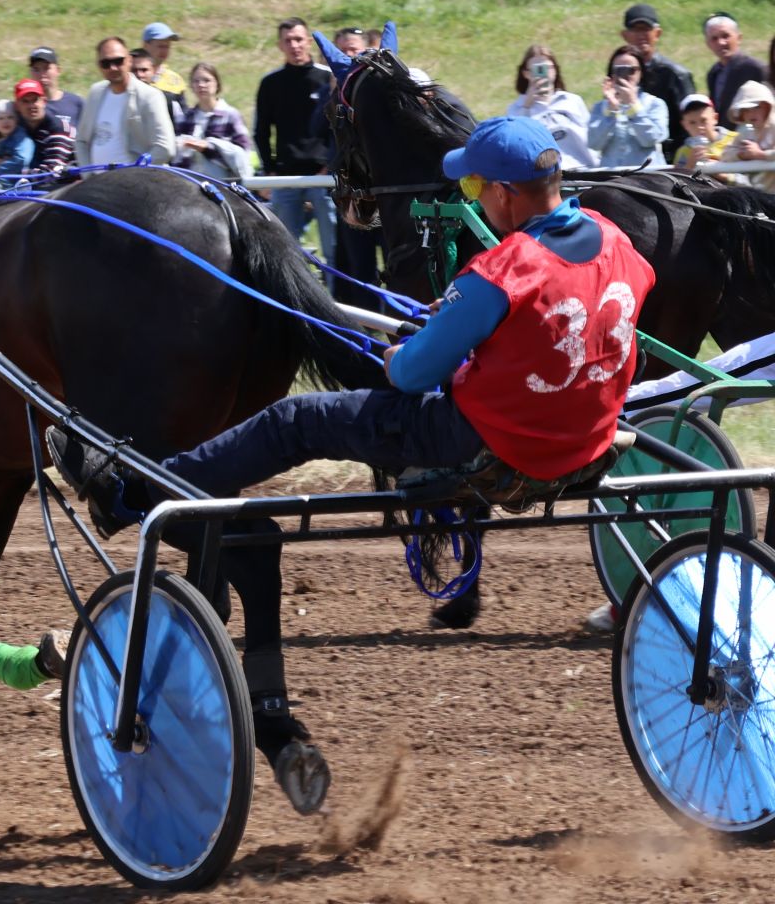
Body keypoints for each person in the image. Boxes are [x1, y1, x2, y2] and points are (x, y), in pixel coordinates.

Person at [50, 116, 656, 723]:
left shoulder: (505, 270)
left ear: (503, 193)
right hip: (586, 441)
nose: (473, 201)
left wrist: (403, 355)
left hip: (476, 441)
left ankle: (142, 487)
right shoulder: (614, 241)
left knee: (295, 421)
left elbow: (413, 374)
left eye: (472, 189)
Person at [254, 18, 334, 257]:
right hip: (285, 176)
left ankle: (335, 293)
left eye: (299, 39)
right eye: (288, 40)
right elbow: (261, 130)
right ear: (280, 45)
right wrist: (270, 170)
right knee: (285, 249)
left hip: (324, 175)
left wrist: (330, 166)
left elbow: (338, 129)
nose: (294, 45)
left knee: (334, 247)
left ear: (308, 42)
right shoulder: (270, 83)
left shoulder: (327, 78)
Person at [75, 36, 176, 166]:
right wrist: (87, 175)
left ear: (129, 60)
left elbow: (165, 148)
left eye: (118, 61)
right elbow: (81, 141)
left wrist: (134, 172)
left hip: (134, 182)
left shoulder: (149, 96)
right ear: (99, 66)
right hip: (96, 182)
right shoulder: (95, 92)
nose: (113, 68)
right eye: (105, 63)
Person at [621, 3, 694, 160]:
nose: (641, 35)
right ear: (624, 35)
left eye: (646, 29)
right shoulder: (618, 73)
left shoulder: (676, 75)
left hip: (669, 162)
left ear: (657, 33)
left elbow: (690, 123)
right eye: (635, 29)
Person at [505, 46, 593, 168]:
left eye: (547, 68)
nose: (543, 74)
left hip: (582, 168)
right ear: (526, 73)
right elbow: (516, 145)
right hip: (545, 177)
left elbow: (593, 138)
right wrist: (527, 106)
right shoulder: (516, 109)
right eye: (537, 69)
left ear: (555, 70)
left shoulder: (572, 101)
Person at [169, 62, 255, 179]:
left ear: (217, 84)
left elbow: (243, 155)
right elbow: (176, 157)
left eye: (206, 80)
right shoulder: (186, 117)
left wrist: (208, 148)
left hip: (222, 185)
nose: (201, 85)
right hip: (188, 184)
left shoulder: (231, 115)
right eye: (196, 81)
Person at [587, 46, 670, 168]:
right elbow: (594, 143)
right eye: (619, 70)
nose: (625, 75)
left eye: (631, 70)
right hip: (612, 179)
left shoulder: (655, 104)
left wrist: (633, 106)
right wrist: (611, 110)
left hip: (647, 178)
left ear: (641, 73)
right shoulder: (601, 107)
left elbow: (651, 139)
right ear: (611, 74)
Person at [703, 13, 764, 119]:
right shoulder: (714, 73)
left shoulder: (756, 69)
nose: (721, 42)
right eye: (714, 38)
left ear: (739, 38)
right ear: (708, 44)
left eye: (725, 36)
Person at [13, 77, 74, 174]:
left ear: (44, 101)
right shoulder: (16, 126)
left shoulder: (57, 128)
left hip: (68, 183)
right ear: (16, 106)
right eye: (25, 101)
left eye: (35, 100)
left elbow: (52, 172)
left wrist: (14, 171)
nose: (31, 106)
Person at [724, 82, 775, 192]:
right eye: (746, 110)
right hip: (761, 196)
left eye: (756, 107)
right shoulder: (746, 132)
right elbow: (725, 154)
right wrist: (741, 154)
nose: (751, 113)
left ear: (768, 107)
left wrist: (760, 154)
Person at [672, 94, 734, 172]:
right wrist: (689, 166)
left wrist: (722, 174)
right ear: (684, 125)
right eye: (692, 122)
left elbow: (747, 178)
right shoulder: (683, 152)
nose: (699, 127)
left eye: (703, 120)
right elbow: (679, 181)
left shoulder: (734, 140)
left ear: (715, 118)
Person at [0, 98, 36, 181]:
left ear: (16, 120)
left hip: (16, 184)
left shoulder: (22, 139)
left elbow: (21, 160)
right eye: (0, 118)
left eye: (10, 117)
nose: (6, 121)